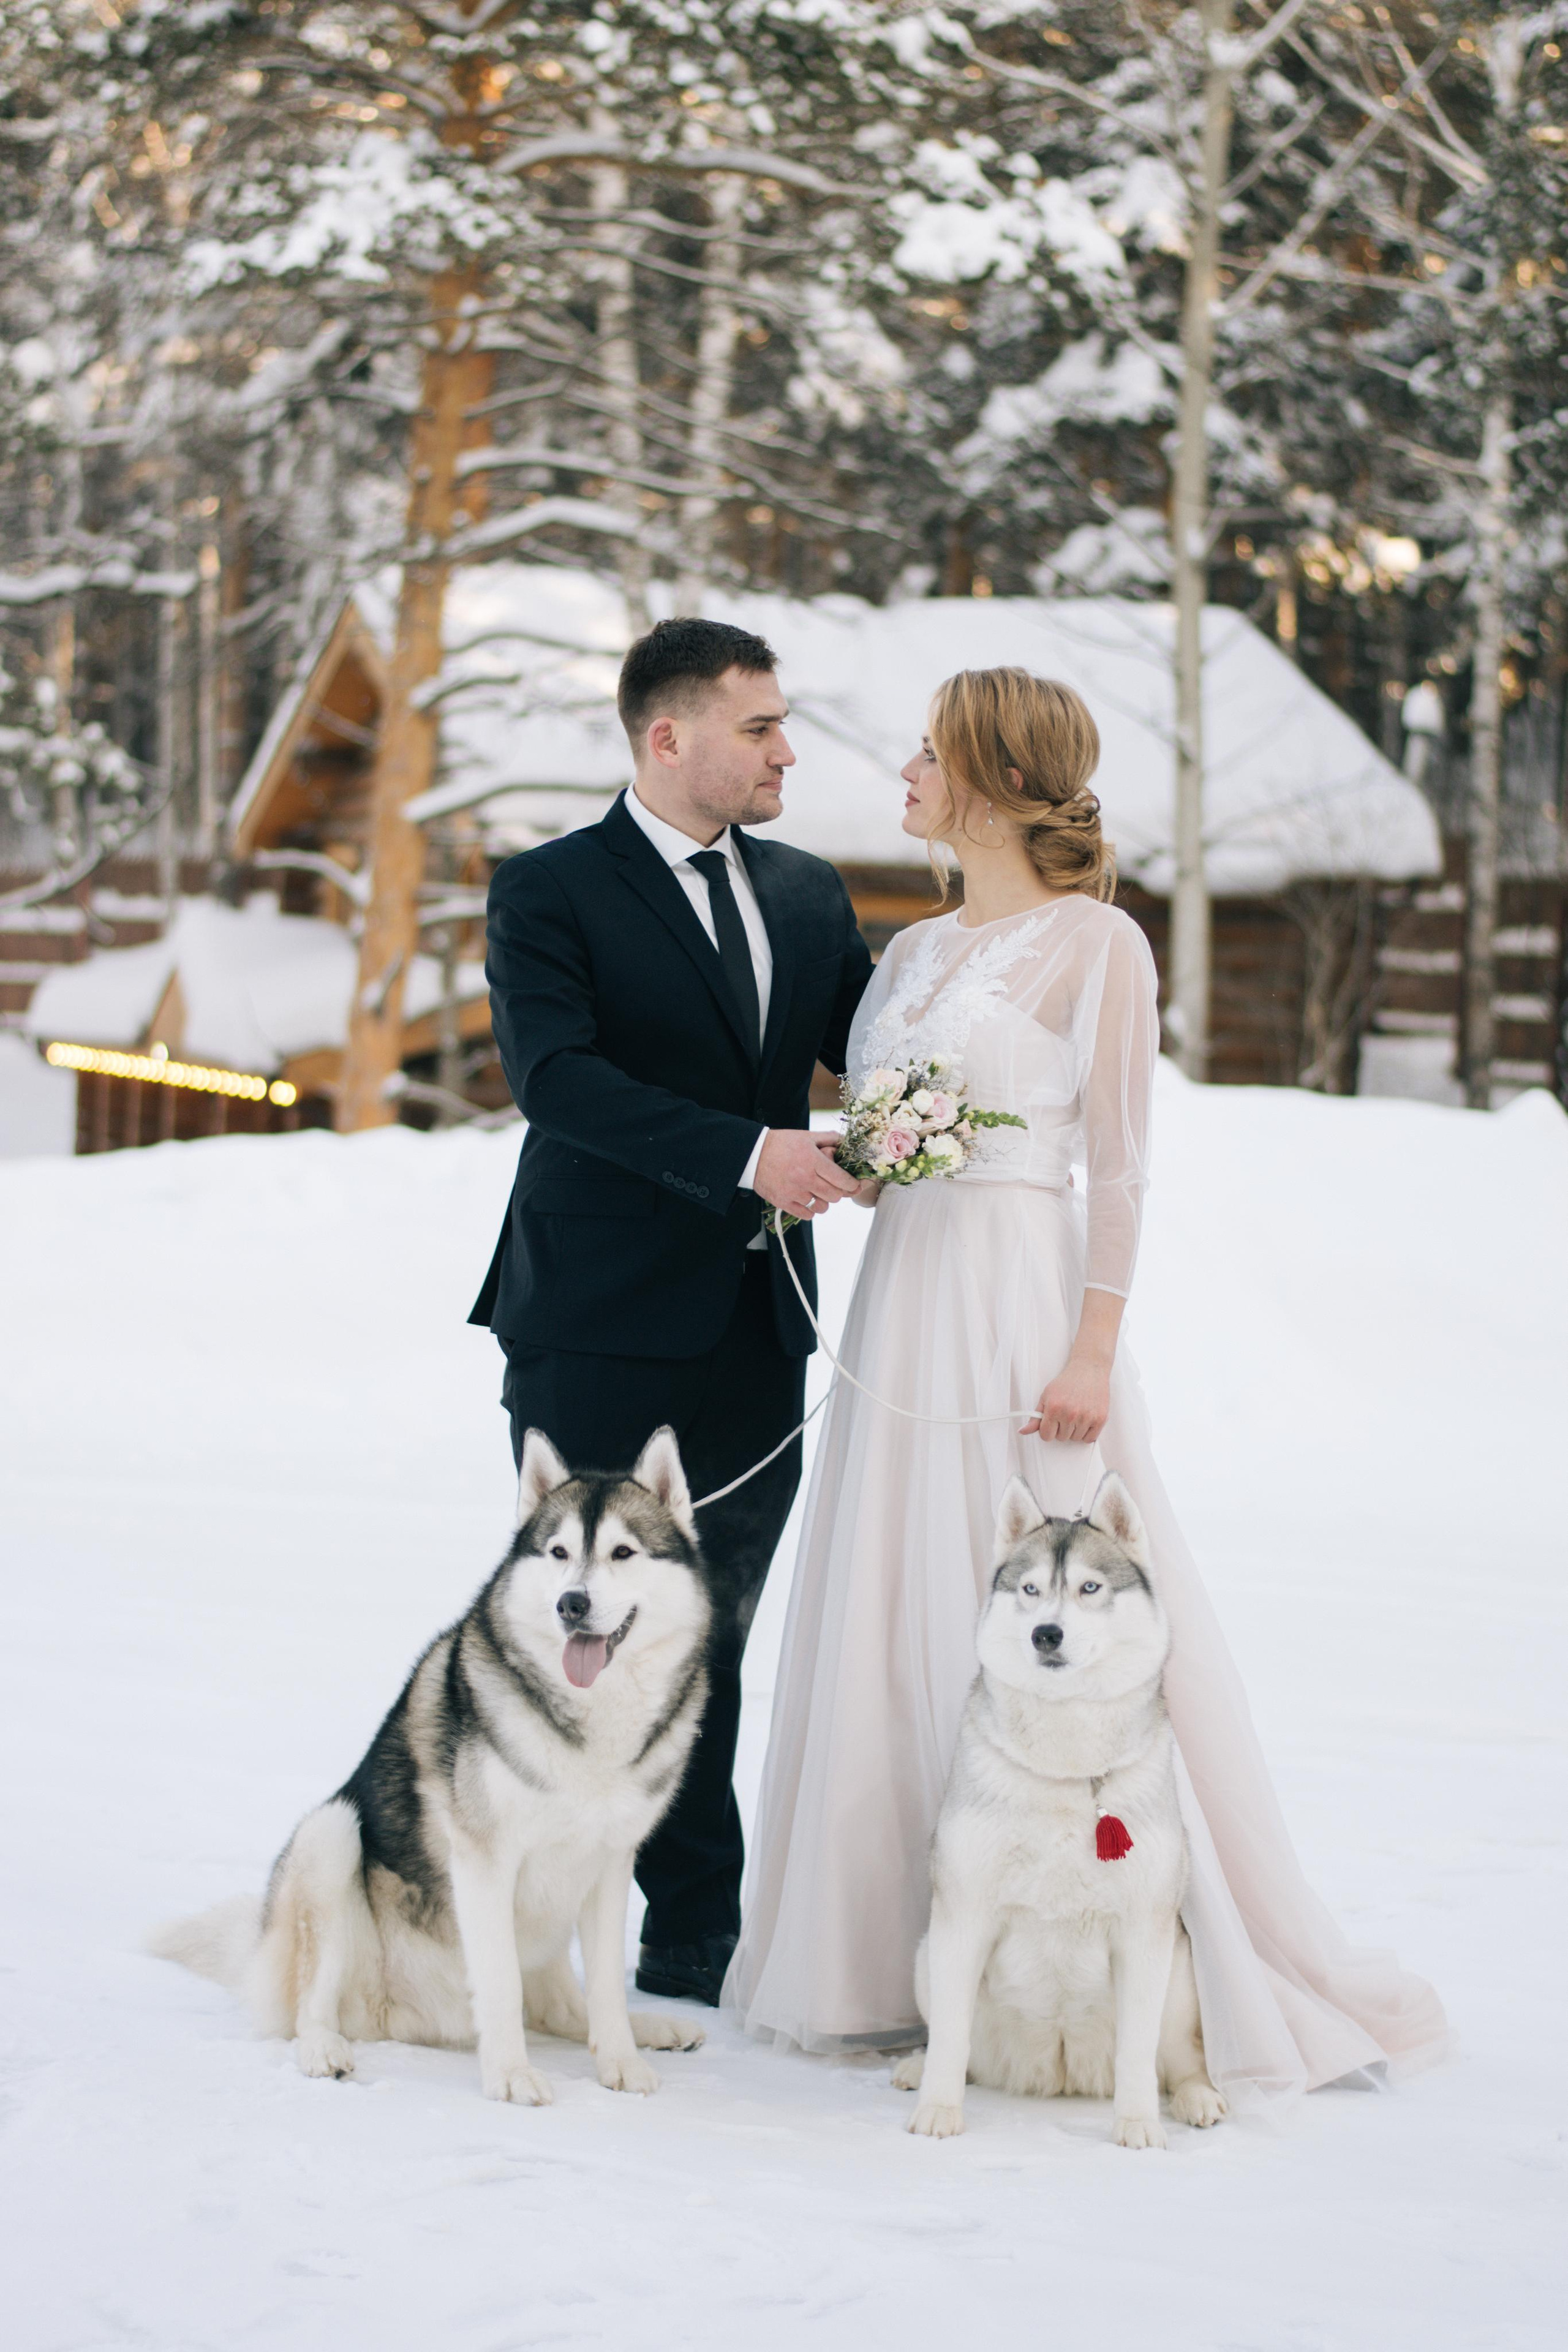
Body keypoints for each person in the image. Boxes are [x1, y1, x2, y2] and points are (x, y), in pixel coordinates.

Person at [726, 666, 1449, 2105]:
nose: (907, 776)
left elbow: (1114, 1164)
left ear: (992, 776)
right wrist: (846, 1167)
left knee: (1058, 1588)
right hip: (904, 1293)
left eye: (929, 755)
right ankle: (892, 1963)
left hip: (1018, 1296)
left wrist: (1090, 1352)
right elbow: (890, 1131)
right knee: (891, 1598)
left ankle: (1170, 1953)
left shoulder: (1097, 946)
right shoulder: (911, 954)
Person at [472, 617, 873, 2008]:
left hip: (757, 1332)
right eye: (759, 727)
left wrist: (904, 1134)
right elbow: (557, 1081)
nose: (784, 750)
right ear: (668, 737)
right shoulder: (547, 892)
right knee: (577, 1639)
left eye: (779, 725)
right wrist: (749, 1151)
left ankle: (692, 1945)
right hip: (590, 1324)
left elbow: (876, 1059)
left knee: (712, 1640)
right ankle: (523, 1921)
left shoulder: (813, 898)